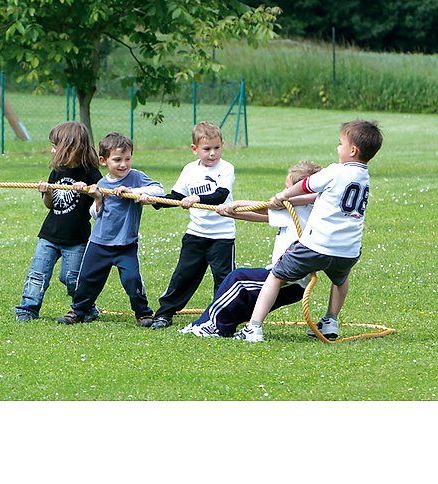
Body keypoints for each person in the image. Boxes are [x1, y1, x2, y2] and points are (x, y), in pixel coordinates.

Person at [236, 119, 383, 343]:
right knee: (340, 280)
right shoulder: (364, 177)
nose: (337, 147)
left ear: (352, 150)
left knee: (276, 275)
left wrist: (283, 196)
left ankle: (253, 327)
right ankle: (331, 320)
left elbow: (306, 185)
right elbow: (318, 196)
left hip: (318, 245)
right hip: (348, 251)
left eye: (340, 143)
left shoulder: (335, 171)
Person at [180, 161, 321, 337]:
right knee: (244, 295)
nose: (284, 193)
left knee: (238, 279)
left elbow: (263, 209)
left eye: (287, 188)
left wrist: (235, 204)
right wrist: (231, 213)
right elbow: (263, 215)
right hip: (293, 284)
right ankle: (221, 325)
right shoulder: (309, 210)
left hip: (287, 281)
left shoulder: (298, 208)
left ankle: (209, 325)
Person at [57, 132, 164, 326]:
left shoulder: (136, 177)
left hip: (126, 243)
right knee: (88, 280)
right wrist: (98, 198)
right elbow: (95, 215)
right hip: (99, 242)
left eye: (127, 159)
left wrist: (134, 192)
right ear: (104, 160)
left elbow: (159, 191)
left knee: (132, 279)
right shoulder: (102, 184)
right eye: (117, 160)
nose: (123, 164)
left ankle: (143, 313)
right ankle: (79, 310)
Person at [148, 121, 236, 330]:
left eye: (217, 148)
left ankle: (223, 319)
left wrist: (195, 197)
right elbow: (176, 196)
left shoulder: (226, 168)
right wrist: (155, 202)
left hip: (222, 236)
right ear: (195, 149)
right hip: (195, 234)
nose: (213, 154)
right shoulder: (189, 170)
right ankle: (164, 314)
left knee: (224, 278)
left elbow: (220, 196)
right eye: (207, 149)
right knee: (183, 275)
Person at [14, 121, 102, 322]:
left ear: (71, 147)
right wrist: (47, 192)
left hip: (76, 238)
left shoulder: (90, 173)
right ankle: (27, 309)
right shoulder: (57, 171)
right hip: (49, 235)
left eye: (55, 145)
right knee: (37, 274)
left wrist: (92, 191)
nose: (52, 149)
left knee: (71, 278)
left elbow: (100, 204)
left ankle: (85, 308)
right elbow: (50, 205)